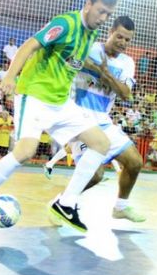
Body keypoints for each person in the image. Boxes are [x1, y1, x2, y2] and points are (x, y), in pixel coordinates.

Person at [0, 0, 118, 233]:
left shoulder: (90, 35)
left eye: (107, 15)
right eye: (100, 11)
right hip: (34, 96)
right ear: (88, 3)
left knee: (101, 143)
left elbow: (71, 61)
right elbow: (30, 45)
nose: (102, 19)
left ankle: (66, 203)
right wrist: (11, 77)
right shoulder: (65, 23)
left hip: (60, 102)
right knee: (25, 152)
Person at [55, 16, 145, 222]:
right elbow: (69, 59)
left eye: (127, 40)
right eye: (119, 36)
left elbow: (125, 94)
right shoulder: (91, 48)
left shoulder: (127, 63)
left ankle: (121, 207)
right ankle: (63, 201)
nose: (122, 43)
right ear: (110, 32)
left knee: (135, 162)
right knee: (95, 175)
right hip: (79, 120)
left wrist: (106, 74)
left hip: (103, 121)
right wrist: (96, 68)